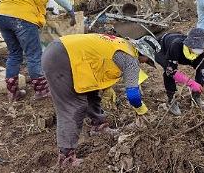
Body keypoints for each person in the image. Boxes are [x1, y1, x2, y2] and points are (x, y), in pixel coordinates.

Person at [42, 34, 160, 167]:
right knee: (73, 106)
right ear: (143, 52)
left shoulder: (122, 44)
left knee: (92, 90)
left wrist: (107, 87)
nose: (144, 62)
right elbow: (133, 95)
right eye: (147, 60)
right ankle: (66, 157)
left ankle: (98, 126)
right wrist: (141, 110)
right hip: (62, 59)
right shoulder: (130, 59)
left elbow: (97, 60)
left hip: (62, 50)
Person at [154, 28, 204, 115]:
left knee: (202, 72)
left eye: (202, 47)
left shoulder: (200, 53)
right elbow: (171, 71)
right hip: (163, 48)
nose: (200, 49)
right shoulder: (176, 45)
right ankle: (171, 100)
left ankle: (196, 96)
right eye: (197, 46)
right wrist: (191, 83)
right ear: (189, 44)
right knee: (168, 72)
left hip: (181, 50)